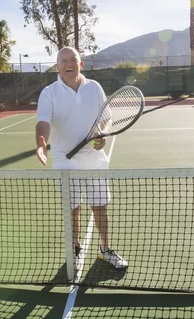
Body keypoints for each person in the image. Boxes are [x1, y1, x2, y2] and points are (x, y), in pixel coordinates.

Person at [35, 46, 128, 270]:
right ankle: (75, 249)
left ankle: (104, 250)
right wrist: (40, 143)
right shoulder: (49, 93)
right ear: (57, 66)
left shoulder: (94, 88)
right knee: (72, 208)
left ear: (80, 64)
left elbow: (106, 117)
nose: (68, 64)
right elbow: (44, 122)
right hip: (65, 159)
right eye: (63, 60)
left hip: (94, 157)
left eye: (73, 60)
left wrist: (101, 134)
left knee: (100, 206)